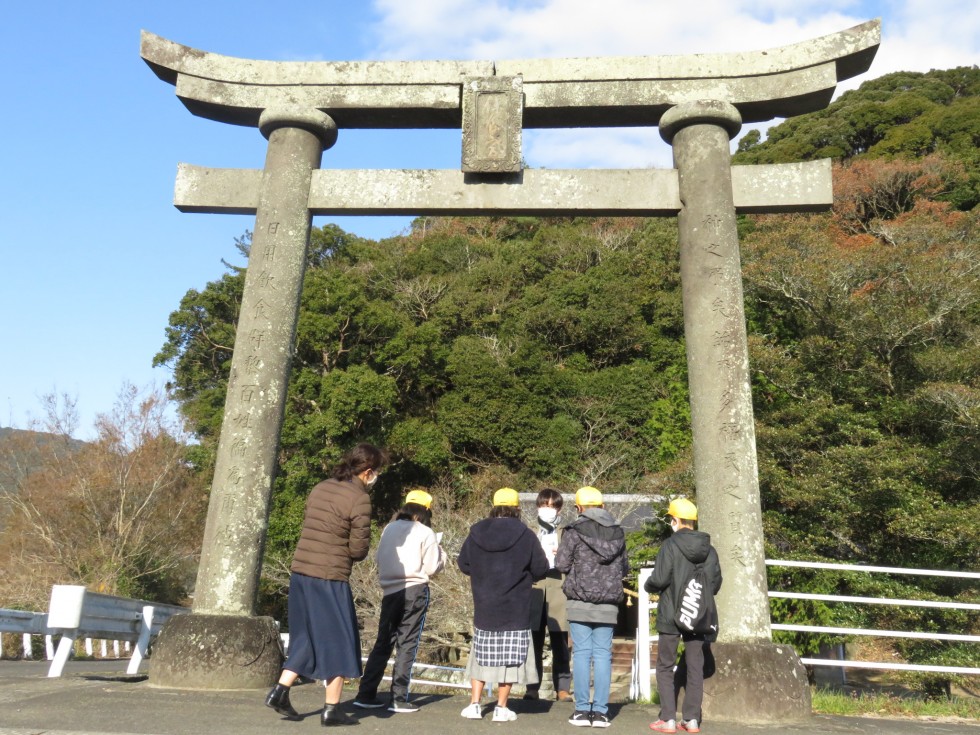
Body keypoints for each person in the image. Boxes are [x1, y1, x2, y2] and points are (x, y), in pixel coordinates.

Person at [265, 443, 389, 727]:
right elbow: (358, 550)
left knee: (305, 636)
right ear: (368, 472)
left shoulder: (320, 487)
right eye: (377, 472)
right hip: (329, 575)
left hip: (300, 572)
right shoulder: (360, 499)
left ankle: (280, 690)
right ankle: (331, 708)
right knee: (340, 639)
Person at [457, 487, 550, 723]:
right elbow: (541, 568)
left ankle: (475, 704)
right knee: (510, 659)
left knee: (480, 656)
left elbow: (464, 564)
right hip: (515, 606)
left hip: (484, 604)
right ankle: (501, 707)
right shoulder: (526, 535)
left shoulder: (476, 532)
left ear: (494, 506)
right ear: (517, 508)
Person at [353, 489, 446, 713]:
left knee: (383, 642)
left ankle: (366, 694)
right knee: (407, 644)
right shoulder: (425, 532)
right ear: (425, 511)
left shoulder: (388, 529)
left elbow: (378, 558)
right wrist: (441, 554)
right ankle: (398, 698)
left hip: (390, 592)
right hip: (415, 591)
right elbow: (433, 567)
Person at [646, 498, 722, 735]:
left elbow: (659, 579)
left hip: (670, 613)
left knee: (665, 665)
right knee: (695, 665)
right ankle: (692, 720)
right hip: (697, 615)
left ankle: (667, 719)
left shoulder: (669, 545)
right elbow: (715, 582)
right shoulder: (709, 549)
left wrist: (649, 586)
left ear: (675, 520)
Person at [555, 486, 628, 729]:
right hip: (608, 602)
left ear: (578, 508)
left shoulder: (574, 531)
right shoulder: (618, 533)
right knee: (603, 655)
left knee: (582, 654)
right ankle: (601, 713)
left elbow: (562, 565)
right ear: (603, 506)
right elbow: (624, 568)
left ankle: (582, 711)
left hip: (579, 600)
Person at [524, 488, 573, 702]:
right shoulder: (529, 530)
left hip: (559, 587)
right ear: (537, 506)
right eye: (545, 505)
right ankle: (531, 687)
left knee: (560, 641)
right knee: (533, 640)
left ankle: (562, 688)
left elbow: (575, 558)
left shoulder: (567, 531)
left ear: (560, 508)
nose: (548, 509)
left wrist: (561, 554)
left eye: (553, 506)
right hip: (534, 587)